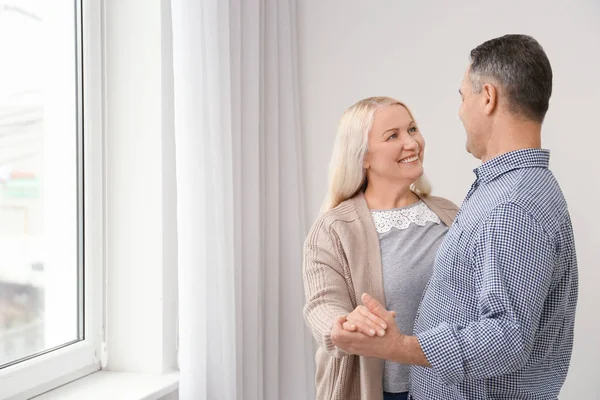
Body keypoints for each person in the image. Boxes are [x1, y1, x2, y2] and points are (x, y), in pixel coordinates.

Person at [330, 34, 578, 400]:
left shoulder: (512, 206)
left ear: (488, 97)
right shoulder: (505, 190)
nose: (461, 110)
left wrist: (400, 347)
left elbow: (506, 338)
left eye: (464, 97)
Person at [302, 96, 459, 400]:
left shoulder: (449, 214)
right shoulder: (333, 228)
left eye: (412, 129)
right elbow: (321, 303)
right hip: (383, 392)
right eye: (393, 136)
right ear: (363, 156)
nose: (411, 143)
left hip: (449, 389)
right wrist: (343, 324)